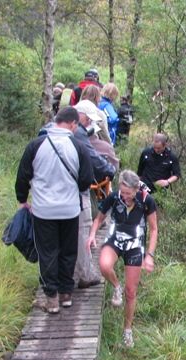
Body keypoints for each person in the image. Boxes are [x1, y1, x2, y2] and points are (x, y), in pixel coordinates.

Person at [15, 107, 94, 313]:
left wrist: (22, 200)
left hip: (43, 211)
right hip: (69, 210)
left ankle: (51, 298)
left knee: (47, 252)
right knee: (68, 251)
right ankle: (66, 294)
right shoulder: (78, 147)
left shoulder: (36, 145)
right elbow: (86, 180)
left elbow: (23, 176)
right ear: (73, 124)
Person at [86, 170, 158, 348]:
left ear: (136, 190)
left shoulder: (146, 200)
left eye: (128, 193)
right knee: (104, 265)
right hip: (115, 240)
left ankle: (127, 330)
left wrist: (149, 255)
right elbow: (99, 218)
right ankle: (115, 286)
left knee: (131, 292)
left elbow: (154, 229)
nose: (124, 196)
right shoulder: (113, 197)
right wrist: (92, 234)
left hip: (134, 245)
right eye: (122, 192)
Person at [73, 100, 117, 289]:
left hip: (49, 197)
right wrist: (110, 170)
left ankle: (57, 282)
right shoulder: (80, 135)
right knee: (82, 230)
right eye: (89, 119)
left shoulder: (47, 132)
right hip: (79, 191)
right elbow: (95, 160)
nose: (90, 124)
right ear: (80, 116)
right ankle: (84, 274)